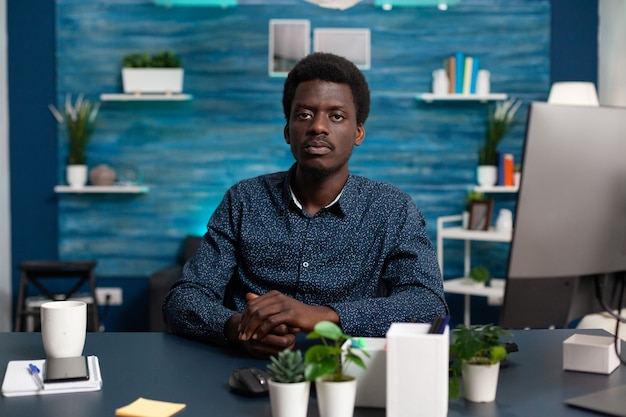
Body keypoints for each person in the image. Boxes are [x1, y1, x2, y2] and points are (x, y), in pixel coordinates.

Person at [163, 52, 448, 358]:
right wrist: (236, 327)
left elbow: (427, 303)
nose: (318, 127)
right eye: (304, 115)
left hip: (346, 373)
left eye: (336, 116)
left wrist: (321, 316)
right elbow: (183, 298)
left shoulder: (393, 209)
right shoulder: (243, 200)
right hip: (239, 366)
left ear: (358, 133)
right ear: (288, 131)